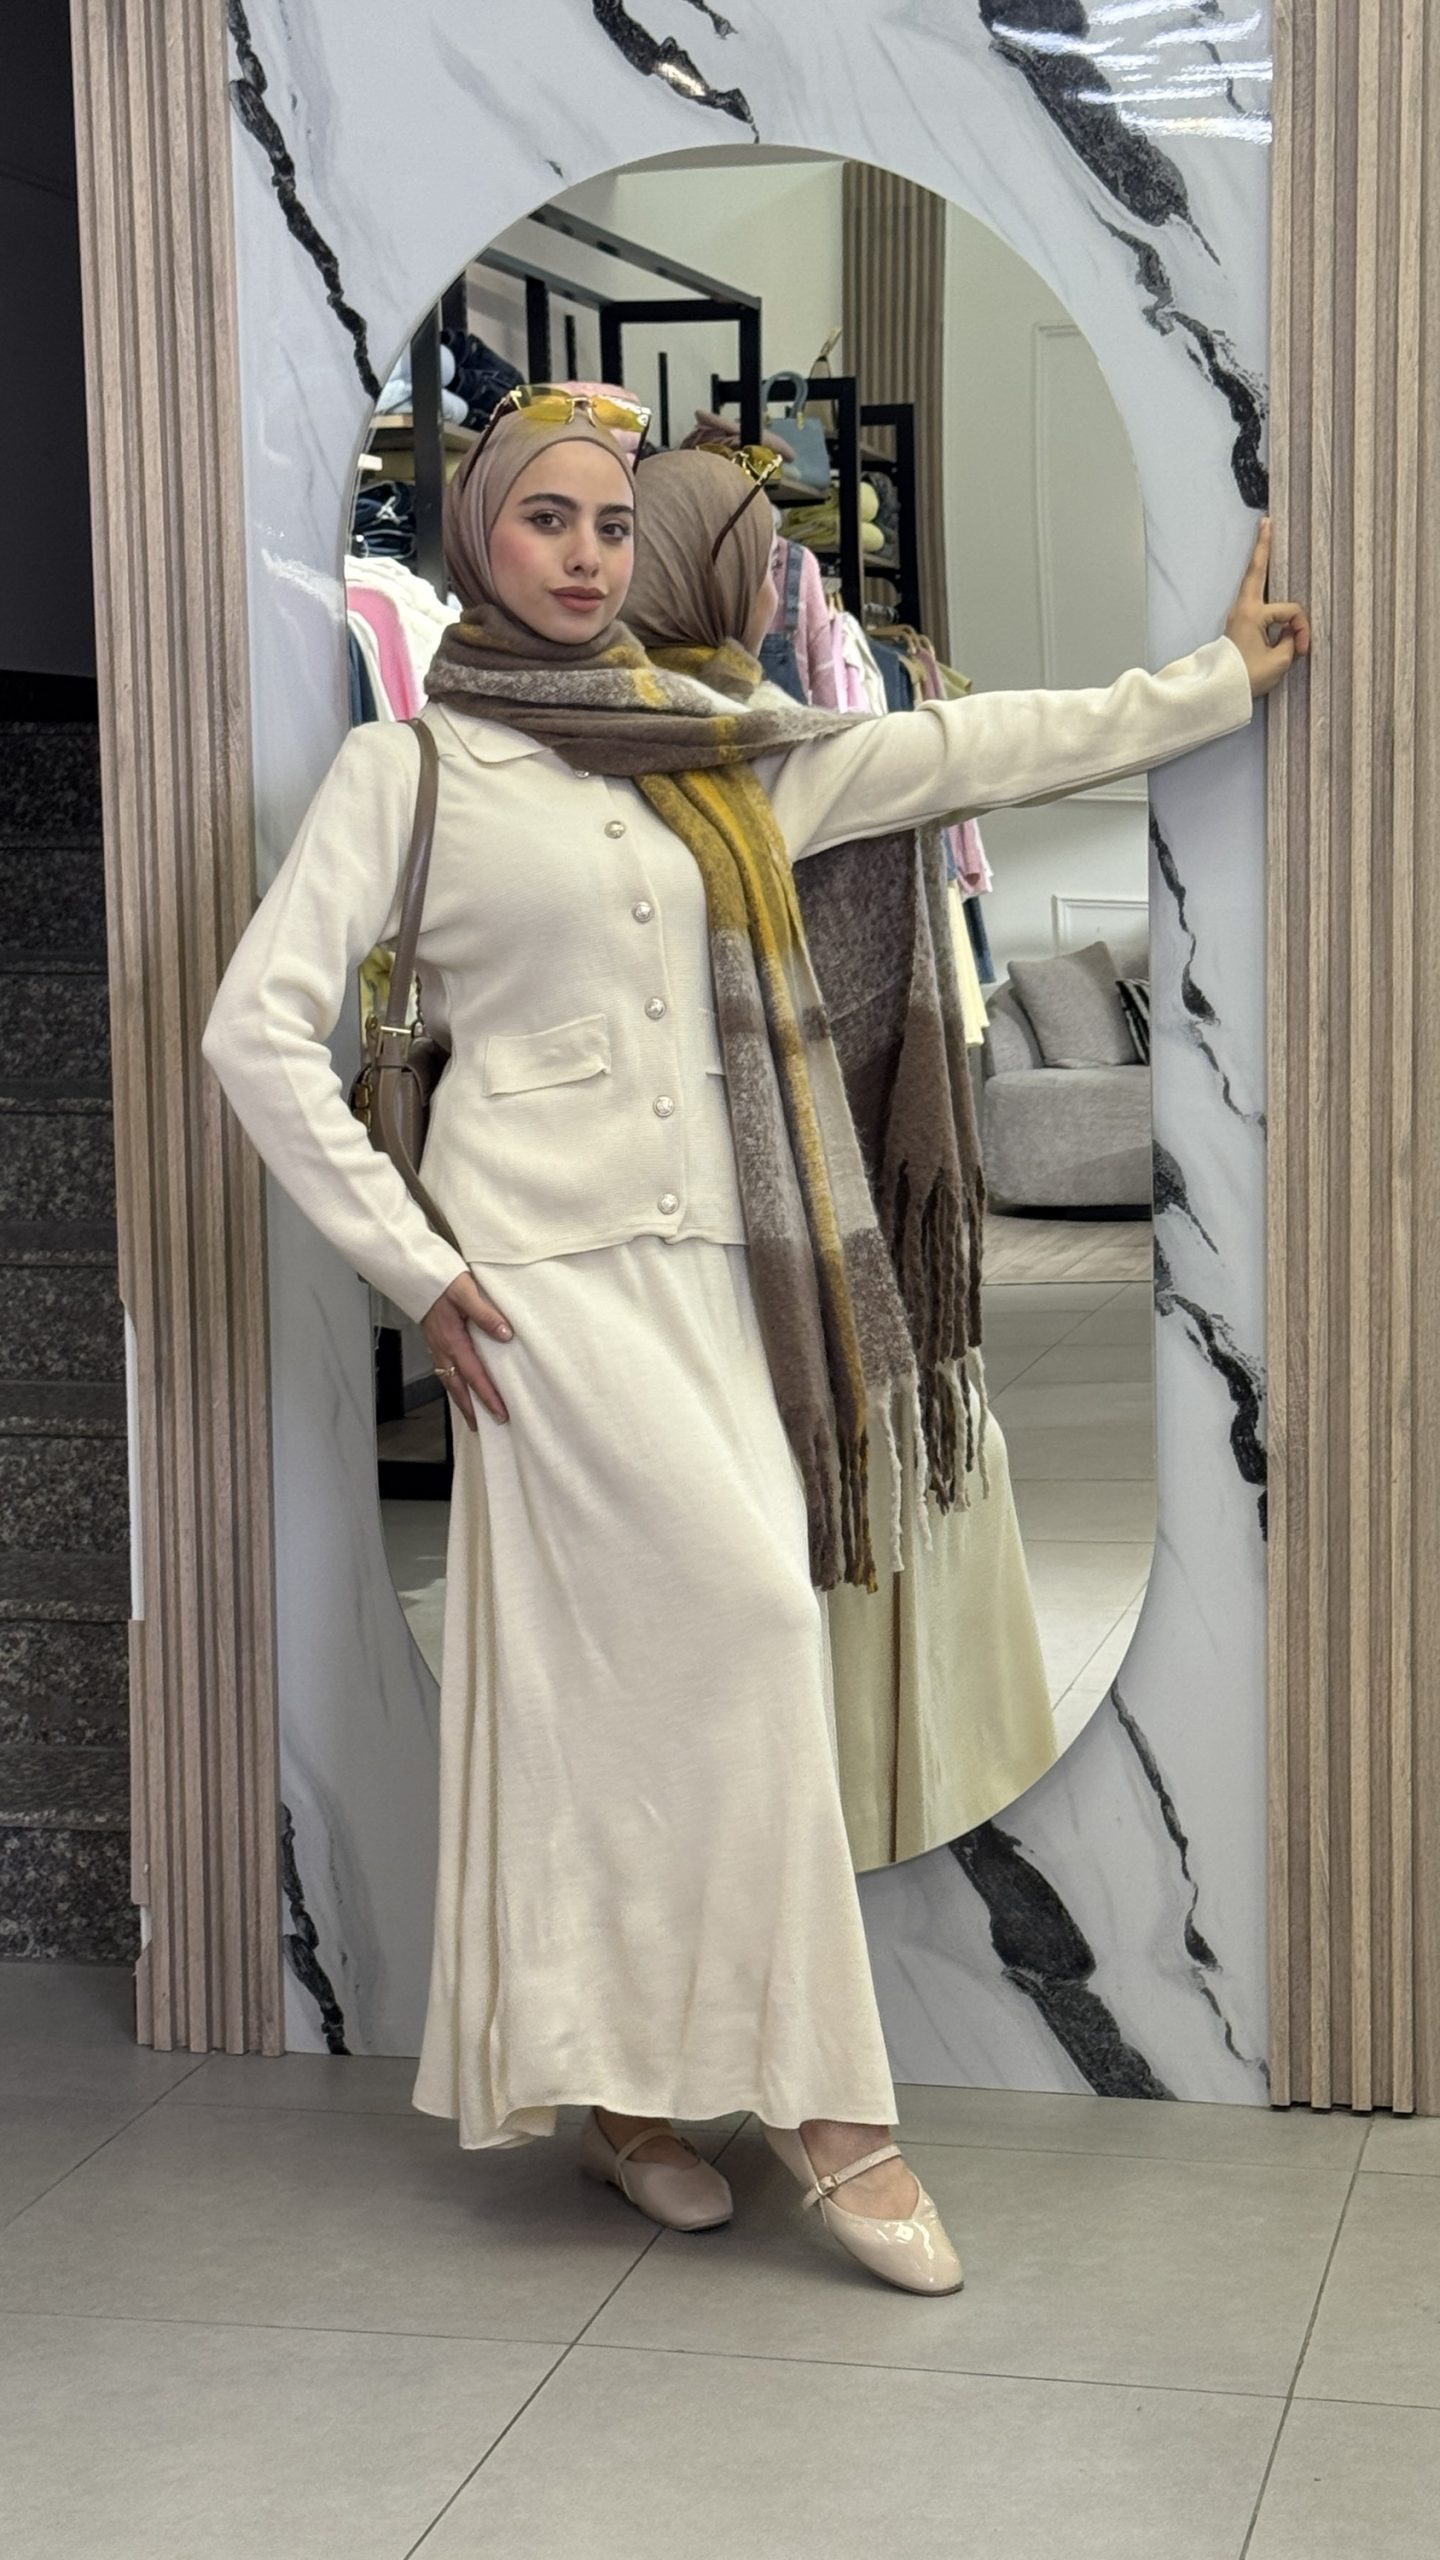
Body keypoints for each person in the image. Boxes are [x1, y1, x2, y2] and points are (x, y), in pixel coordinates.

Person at [202, 387, 1308, 2298]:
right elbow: (256, 1033)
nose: (585, 555)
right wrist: (417, 1267)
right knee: (751, 1631)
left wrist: (1209, 685)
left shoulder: (710, 752)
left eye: (611, 525)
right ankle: (833, 2115)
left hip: (724, 1279)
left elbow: (956, 745)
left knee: (636, 1692)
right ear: (476, 538)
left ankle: (632, 2097)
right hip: (542, 1301)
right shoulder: (413, 772)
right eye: (546, 520)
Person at [623, 444, 1061, 1875]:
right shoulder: (773, 761)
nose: (773, 590)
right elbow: (1032, 743)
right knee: (848, 1503)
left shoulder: (613, 758)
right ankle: (862, 1815)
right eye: (758, 563)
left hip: (689, 1240)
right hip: (758, 1240)